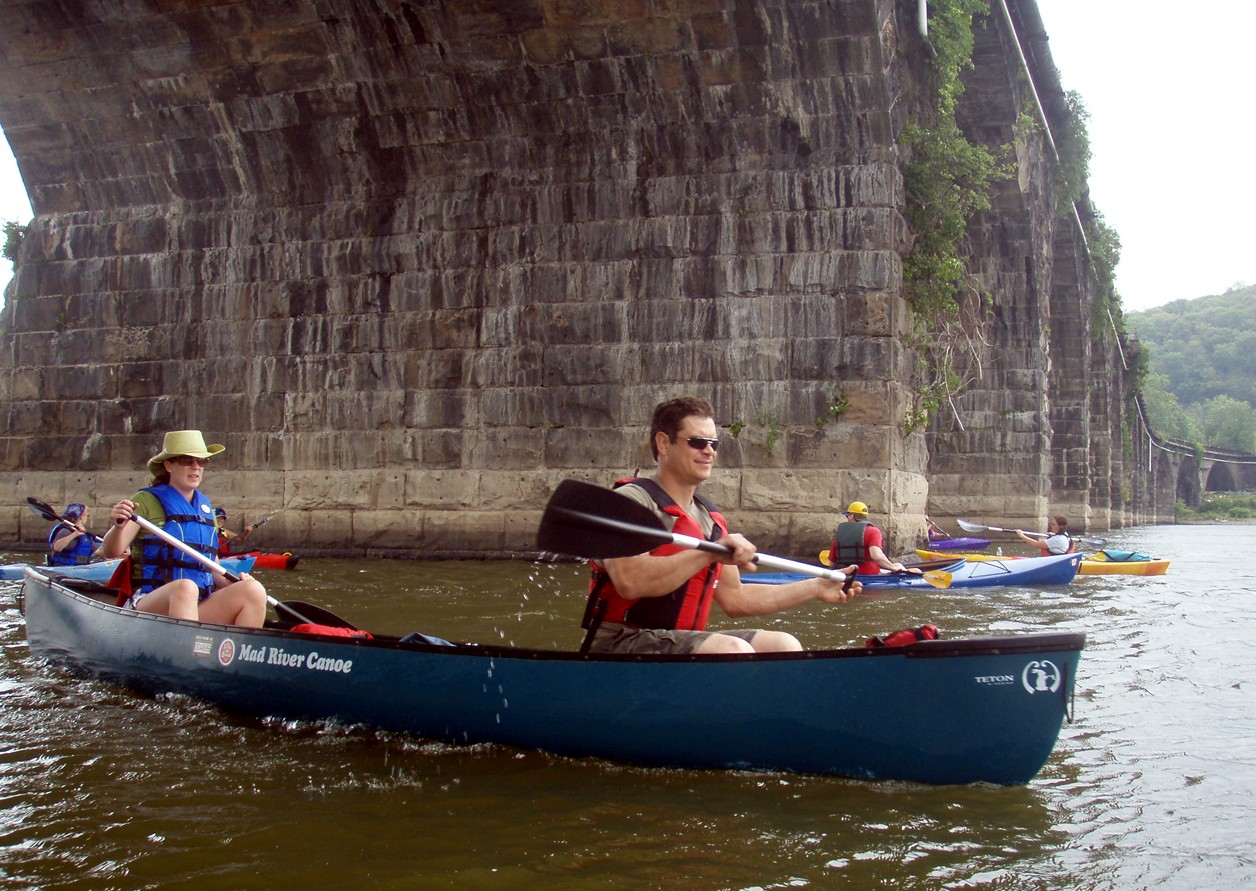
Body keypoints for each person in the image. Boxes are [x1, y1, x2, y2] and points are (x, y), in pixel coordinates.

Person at [582, 396, 862, 656]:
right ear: (664, 443)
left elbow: (735, 598)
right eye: (697, 442)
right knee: (733, 650)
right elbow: (631, 582)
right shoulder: (629, 502)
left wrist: (814, 588)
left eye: (714, 444)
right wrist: (708, 553)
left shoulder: (709, 518)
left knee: (783, 644)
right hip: (618, 642)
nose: (708, 451)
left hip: (679, 639)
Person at [99, 430, 268, 627]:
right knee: (185, 588)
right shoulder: (144, 501)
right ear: (168, 465)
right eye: (187, 461)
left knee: (253, 590)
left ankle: (237, 654)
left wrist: (233, 583)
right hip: (148, 604)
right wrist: (118, 526)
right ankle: (188, 655)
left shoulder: (205, 510)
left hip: (195, 606)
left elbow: (210, 567)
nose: (196, 467)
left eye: (201, 462)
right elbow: (111, 551)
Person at [831, 502, 918, 575]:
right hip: (870, 574)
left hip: (846, 574)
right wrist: (894, 568)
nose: (847, 518)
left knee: (897, 565)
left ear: (852, 515)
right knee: (910, 569)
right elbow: (877, 556)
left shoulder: (840, 534)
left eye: (847, 516)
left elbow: (832, 563)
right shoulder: (873, 532)